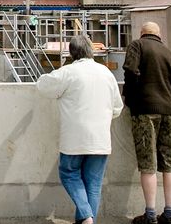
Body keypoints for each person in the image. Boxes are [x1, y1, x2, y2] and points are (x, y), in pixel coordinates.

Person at [37, 35, 123, 224]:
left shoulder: (68, 72)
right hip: (100, 138)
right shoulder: (106, 73)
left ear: (72, 53)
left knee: (68, 173)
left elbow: (43, 86)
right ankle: (85, 219)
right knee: (93, 183)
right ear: (91, 51)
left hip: (74, 138)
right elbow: (117, 107)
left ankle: (86, 216)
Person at [123, 22, 171, 224]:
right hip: (169, 112)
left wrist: (131, 98)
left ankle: (150, 214)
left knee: (148, 163)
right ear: (159, 35)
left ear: (142, 33)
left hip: (145, 111)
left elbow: (130, 71)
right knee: (169, 162)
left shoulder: (137, 45)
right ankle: (170, 213)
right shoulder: (169, 53)